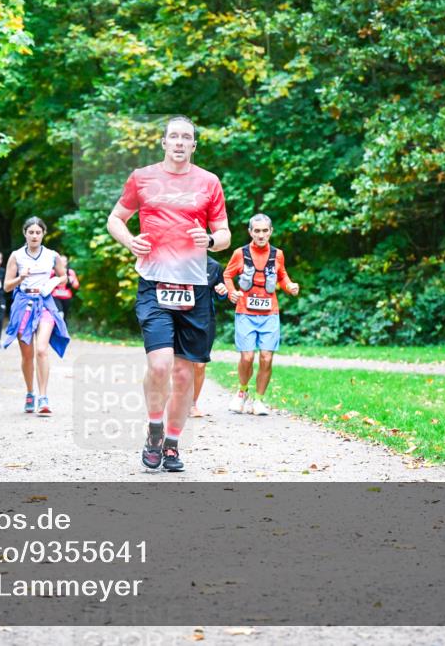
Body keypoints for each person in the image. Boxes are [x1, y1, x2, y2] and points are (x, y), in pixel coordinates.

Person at [106, 115, 231, 472]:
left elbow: (224, 235)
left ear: (193, 145)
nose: (179, 142)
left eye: (186, 137)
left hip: (195, 287)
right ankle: (154, 429)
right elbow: (116, 218)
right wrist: (130, 240)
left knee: (183, 373)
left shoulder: (209, 182)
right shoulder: (142, 178)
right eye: (173, 136)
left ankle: (173, 443)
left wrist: (208, 240)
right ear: (163, 142)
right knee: (159, 364)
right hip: (154, 282)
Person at [222, 214, 300, 416]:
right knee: (247, 357)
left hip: (270, 314)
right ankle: (242, 392)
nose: (261, 235)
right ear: (250, 232)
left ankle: (258, 400)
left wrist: (289, 286)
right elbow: (228, 275)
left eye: (265, 230)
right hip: (245, 313)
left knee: (266, 358)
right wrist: (232, 292)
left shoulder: (278, 254)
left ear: (271, 231)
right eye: (257, 231)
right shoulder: (240, 253)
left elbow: (282, 276)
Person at [2, 217, 72, 417]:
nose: (34, 236)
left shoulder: (52, 255)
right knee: (27, 354)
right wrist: (21, 278)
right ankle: (30, 392)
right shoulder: (16, 256)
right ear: (25, 233)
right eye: (30, 232)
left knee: (41, 349)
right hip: (23, 304)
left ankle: (43, 397)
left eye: (37, 232)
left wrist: (55, 281)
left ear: (43, 234)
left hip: (45, 304)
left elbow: (64, 276)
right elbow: (7, 286)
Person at [191, 255, 229, 418]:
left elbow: (221, 294)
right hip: (179, 317)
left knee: (199, 365)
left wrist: (222, 291)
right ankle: (178, 401)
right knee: (181, 364)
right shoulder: (176, 260)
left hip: (205, 319)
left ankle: (192, 404)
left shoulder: (214, 266)